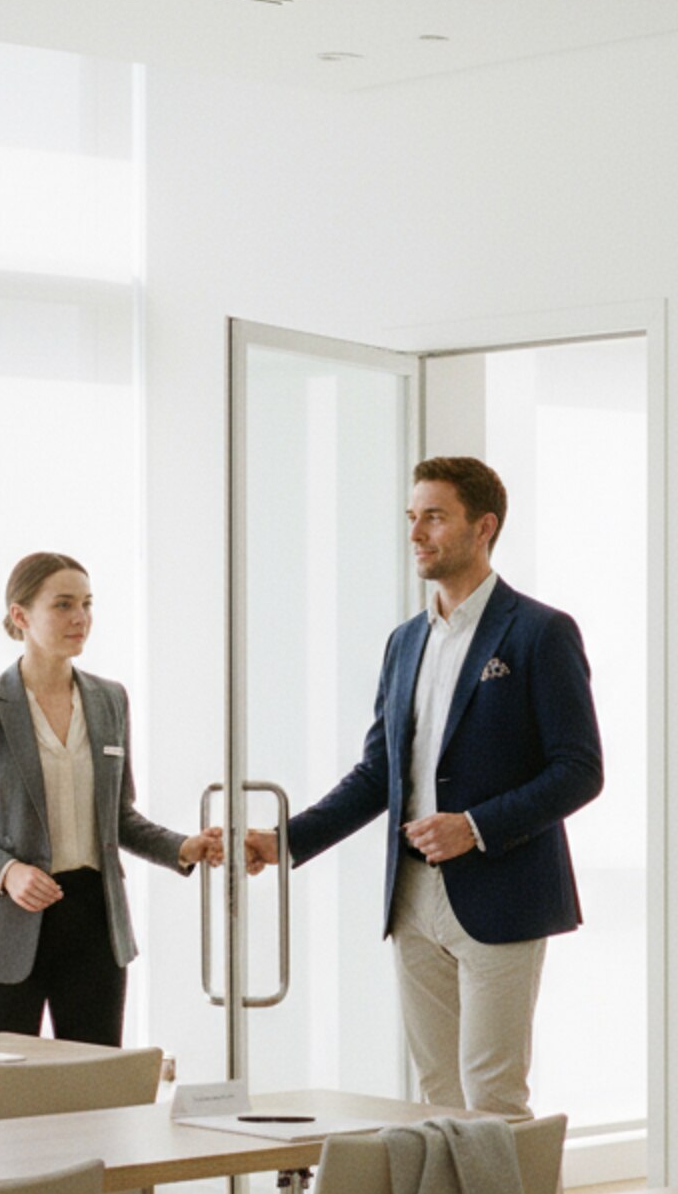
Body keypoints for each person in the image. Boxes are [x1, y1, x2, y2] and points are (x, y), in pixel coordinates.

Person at [246, 456, 602, 1119]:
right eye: (412, 518)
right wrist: (283, 841)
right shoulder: (404, 641)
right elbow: (379, 773)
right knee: (438, 1097)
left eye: (434, 517)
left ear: (483, 527)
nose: (416, 533)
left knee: (493, 1097)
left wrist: (475, 826)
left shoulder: (540, 632)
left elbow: (580, 770)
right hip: (412, 899)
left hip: (503, 892)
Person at [0, 552, 221, 1045]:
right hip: (4, 927)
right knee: (8, 1098)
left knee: (95, 1092)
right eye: (62, 605)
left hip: (94, 923)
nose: (80, 618)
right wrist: (6, 872)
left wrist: (182, 847)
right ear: (21, 616)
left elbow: (117, 817)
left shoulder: (109, 699)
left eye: (87, 604)